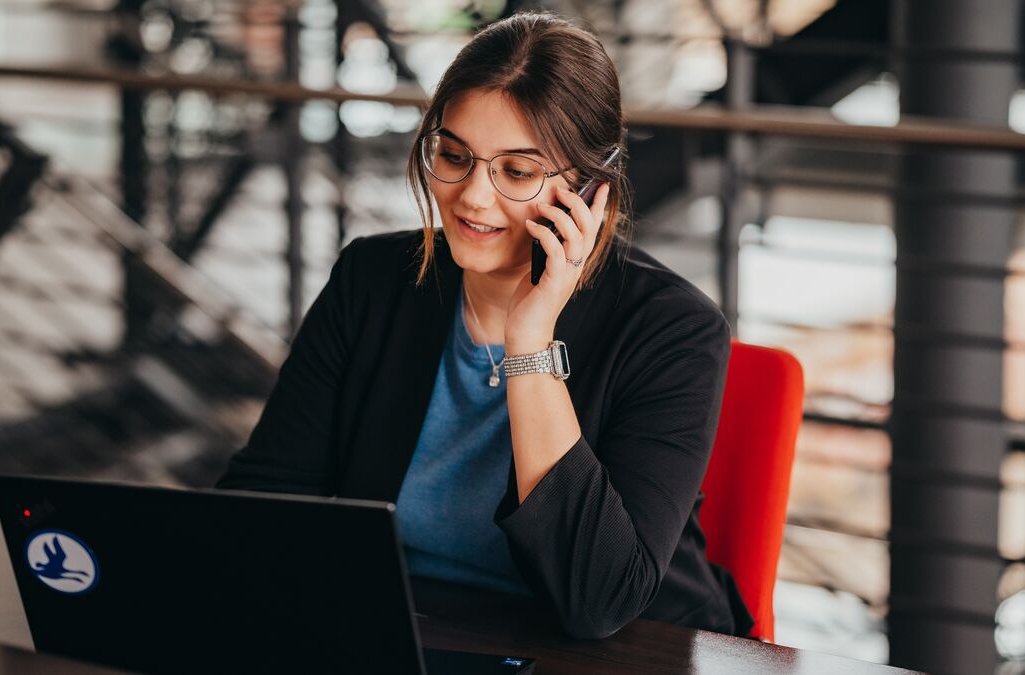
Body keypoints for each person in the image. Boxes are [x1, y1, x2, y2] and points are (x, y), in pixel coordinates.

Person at [217, 11, 753, 639]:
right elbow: (261, 503)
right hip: (409, 631)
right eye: (454, 155)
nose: (472, 197)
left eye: (517, 172)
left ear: (590, 184)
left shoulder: (673, 330)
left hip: (623, 655)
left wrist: (530, 342)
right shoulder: (374, 280)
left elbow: (599, 601)